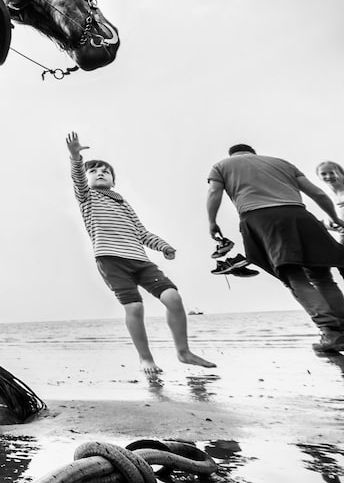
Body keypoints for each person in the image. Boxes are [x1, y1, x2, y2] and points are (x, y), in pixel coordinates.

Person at [67, 133, 214, 374]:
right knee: (135, 308)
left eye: (105, 171)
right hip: (111, 260)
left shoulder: (124, 204)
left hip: (141, 261)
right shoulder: (87, 198)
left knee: (173, 298)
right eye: (93, 171)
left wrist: (163, 246)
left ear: (113, 181)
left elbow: (142, 233)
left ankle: (183, 352)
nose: (100, 173)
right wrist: (75, 157)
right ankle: (146, 359)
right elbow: (78, 180)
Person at [208, 144, 344, 353]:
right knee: (322, 276)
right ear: (253, 153)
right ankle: (340, 330)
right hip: (300, 216)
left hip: (261, 220)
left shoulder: (222, 166)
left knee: (294, 277)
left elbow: (214, 192)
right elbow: (318, 193)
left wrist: (212, 222)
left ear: (233, 154)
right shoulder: (282, 163)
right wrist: (335, 218)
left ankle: (331, 333)